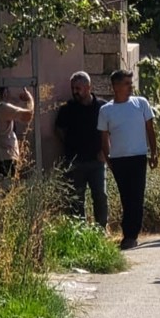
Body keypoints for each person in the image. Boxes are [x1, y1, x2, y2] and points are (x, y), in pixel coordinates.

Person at [97, 69, 158, 250]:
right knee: (126, 196)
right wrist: (108, 160)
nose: (130, 87)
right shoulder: (106, 110)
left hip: (138, 157)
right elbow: (104, 138)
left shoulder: (141, 103)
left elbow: (150, 129)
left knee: (136, 196)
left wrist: (154, 152)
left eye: (131, 83)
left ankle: (131, 235)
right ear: (115, 86)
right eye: (126, 84)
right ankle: (128, 233)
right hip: (119, 159)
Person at [55, 71, 108, 228]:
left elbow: (111, 130)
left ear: (88, 87)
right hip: (75, 161)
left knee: (100, 195)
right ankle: (80, 231)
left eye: (78, 88)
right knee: (76, 198)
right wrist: (69, 145)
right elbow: (59, 129)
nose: (75, 91)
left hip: (97, 161)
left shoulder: (102, 107)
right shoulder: (68, 109)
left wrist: (105, 151)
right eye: (73, 88)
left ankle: (101, 230)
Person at [0, 87, 34, 180]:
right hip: (6, 157)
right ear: (5, 93)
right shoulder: (2, 107)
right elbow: (28, 115)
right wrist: (30, 99)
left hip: (3, 156)